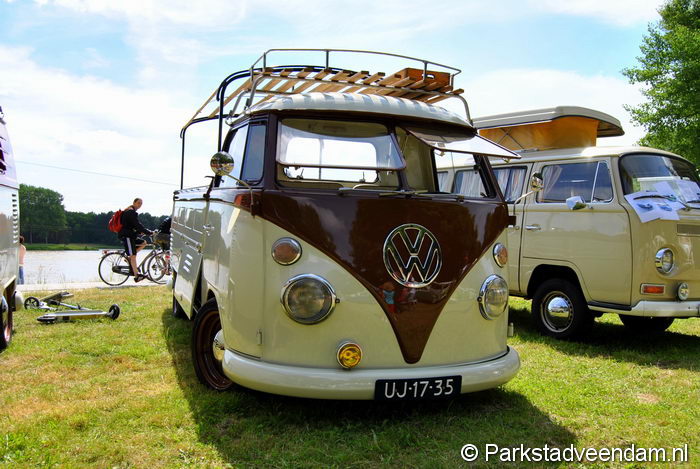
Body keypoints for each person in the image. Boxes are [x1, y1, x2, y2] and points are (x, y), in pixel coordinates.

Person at [118, 198, 152, 282]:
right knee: (133, 256)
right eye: (138, 203)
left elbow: (132, 225)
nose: (140, 205)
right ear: (134, 203)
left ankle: (129, 258)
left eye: (141, 203)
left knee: (143, 243)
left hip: (131, 235)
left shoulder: (130, 211)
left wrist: (140, 232)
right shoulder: (131, 212)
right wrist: (148, 232)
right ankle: (137, 276)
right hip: (127, 236)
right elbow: (137, 225)